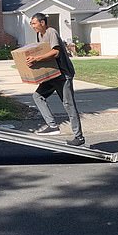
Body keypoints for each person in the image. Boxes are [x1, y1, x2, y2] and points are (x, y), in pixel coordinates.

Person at [26, 13, 85, 146]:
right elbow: (43, 53)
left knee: (69, 106)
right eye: (31, 24)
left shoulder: (51, 32)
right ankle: (52, 126)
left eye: (34, 23)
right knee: (37, 96)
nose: (32, 26)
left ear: (42, 23)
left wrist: (36, 59)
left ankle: (79, 137)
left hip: (63, 75)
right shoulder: (39, 35)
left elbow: (56, 52)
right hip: (52, 75)